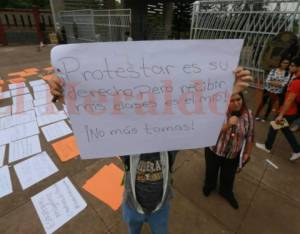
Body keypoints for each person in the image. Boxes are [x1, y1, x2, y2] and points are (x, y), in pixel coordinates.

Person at [48, 67, 252, 234]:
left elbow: (202, 126)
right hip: (132, 206)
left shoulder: (172, 145)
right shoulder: (126, 144)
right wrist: (65, 95)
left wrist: (229, 90)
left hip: (160, 209)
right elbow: (91, 121)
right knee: (133, 230)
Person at [203, 92, 254, 209]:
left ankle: (226, 192)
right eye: (232, 100)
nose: (237, 103)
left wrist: (247, 153)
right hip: (214, 151)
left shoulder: (248, 114)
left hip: (233, 155)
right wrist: (227, 125)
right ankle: (209, 186)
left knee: (228, 176)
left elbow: (250, 135)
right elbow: (208, 133)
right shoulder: (217, 113)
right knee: (211, 171)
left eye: (239, 99)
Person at [256, 56, 300, 161]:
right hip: (292, 111)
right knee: (284, 129)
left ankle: (267, 147)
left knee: (274, 126)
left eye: (292, 65)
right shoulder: (294, 77)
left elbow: (289, 100)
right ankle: (297, 150)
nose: (289, 67)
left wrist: (280, 114)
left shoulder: (297, 82)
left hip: (289, 112)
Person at [255, 58, 291, 122]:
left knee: (270, 105)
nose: (285, 64)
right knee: (262, 103)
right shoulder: (273, 70)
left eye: (287, 63)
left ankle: (265, 117)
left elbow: (284, 84)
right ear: (280, 63)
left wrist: (273, 82)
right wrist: (277, 83)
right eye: (284, 62)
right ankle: (256, 115)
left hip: (276, 92)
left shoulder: (287, 74)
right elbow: (267, 80)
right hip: (267, 89)